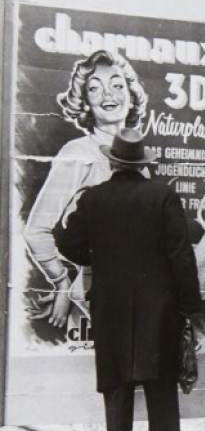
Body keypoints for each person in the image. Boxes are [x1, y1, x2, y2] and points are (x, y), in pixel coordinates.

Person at [54, 128, 201, 431]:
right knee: (160, 381)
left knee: (116, 382)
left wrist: (96, 256)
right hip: (160, 304)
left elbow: (66, 241)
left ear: (113, 162)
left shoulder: (94, 198)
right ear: (141, 164)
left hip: (111, 305)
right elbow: (182, 255)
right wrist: (189, 305)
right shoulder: (163, 196)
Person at [25, 50, 148, 329]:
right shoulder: (78, 153)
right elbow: (36, 230)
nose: (108, 95)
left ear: (131, 96)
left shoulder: (139, 161)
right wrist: (61, 282)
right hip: (96, 297)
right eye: (95, 88)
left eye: (117, 85)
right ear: (85, 103)